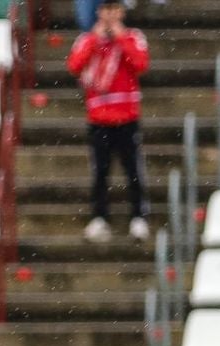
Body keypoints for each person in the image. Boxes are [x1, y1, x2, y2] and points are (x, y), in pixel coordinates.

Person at [68, 0, 149, 242]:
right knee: (100, 171)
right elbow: (74, 65)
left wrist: (121, 38)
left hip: (126, 116)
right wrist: (95, 39)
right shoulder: (88, 39)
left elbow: (141, 64)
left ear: (122, 12)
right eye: (106, 10)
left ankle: (138, 217)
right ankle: (99, 217)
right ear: (99, 12)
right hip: (99, 116)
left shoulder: (134, 37)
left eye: (115, 10)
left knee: (133, 169)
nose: (110, 15)